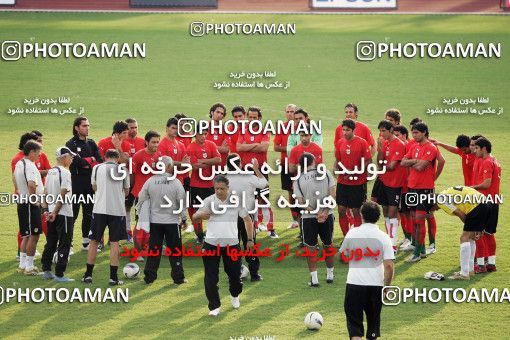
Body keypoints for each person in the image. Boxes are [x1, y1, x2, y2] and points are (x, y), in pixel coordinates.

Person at [192, 175, 255, 316]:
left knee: (234, 276)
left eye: (222, 188)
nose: (219, 191)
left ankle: (235, 295)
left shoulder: (236, 201)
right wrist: (203, 214)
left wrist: (250, 239)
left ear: (228, 188)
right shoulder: (209, 201)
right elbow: (195, 217)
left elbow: (248, 220)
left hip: (231, 245)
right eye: (216, 188)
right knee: (210, 277)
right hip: (211, 244)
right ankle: (214, 306)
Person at [340, 201, 394, 340]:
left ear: (362, 215)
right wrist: (386, 288)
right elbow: (389, 266)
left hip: (354, 285)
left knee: (355, 329)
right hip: (376, 287)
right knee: (373, 330)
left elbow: (344, 255)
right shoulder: (384, 237)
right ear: (378, 217)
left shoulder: (352, 233)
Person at [137, 156, 188, 284]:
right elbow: (182, 202)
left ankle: (149, 277)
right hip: (172, 222)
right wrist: (184, 219)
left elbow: (141, 197)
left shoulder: (150, 181)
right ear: (169, 167)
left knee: (154, 250)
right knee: (175, 250)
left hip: (155, 222)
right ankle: (178, 278)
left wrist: (139, 211)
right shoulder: (175, 182)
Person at [82, 149, 129, 285]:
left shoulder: (96, 168)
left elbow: (94, 187)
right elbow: (126, 192)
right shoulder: (122, 170)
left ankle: (88, 275)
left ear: (105, 157)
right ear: (117, 158)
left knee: (94, 242)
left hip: (99, 210)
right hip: (117, 211)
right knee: (114, 243)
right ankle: (113, 278)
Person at [293, 153, 336, 287]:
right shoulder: (326, 173)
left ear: (301, 165)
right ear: (314, 161)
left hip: (308, 218)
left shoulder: (298, 180)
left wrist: (315, 212)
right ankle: (330, 275)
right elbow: (333, 194)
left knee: (311, 248)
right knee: (328, 244)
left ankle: (314, 279)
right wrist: (324, 212)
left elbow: (300, 202)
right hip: (327, 215)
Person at [432, 186, 492, 280]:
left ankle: (464, 274)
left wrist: (471, 226)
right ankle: (470, 270)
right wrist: (476, 227)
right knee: (471, 238)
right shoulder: (445, 193)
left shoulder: (441, 200)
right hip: (485, 202)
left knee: (464, 238)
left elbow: (461, 214)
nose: (435, 210)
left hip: (476, 206)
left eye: (432, 208)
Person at [401, 123, 441, 262]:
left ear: (424, 133)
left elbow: (421, 167)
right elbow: (402, 162)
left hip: (424, 189)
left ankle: (417, 253)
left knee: (419, 220)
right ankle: (422, 250)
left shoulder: (430, 147)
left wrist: (412, 162)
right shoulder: (414, 146)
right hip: (412, 187)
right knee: (414, 219)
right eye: (413, 133)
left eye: (417, 132)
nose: (414, 135)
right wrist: (416, 160)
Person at [236, 107, 278, 238]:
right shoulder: (243, 130)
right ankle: (253, 226)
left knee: (263, 198)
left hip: (261, 169)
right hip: (246, 171)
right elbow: (238, 147)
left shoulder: (265, 129)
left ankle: (271, 229)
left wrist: (247, 146)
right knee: (248, 199)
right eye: (250, 117)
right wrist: (255, 144)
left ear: (259, 118)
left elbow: (264, 147)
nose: (252, 119)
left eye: (255, 117)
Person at [226, 153, 267, 282]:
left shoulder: (224, 179)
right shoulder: (248, 177)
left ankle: (236, 273)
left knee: (233, 246)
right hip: (246, 216)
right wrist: (256, 170)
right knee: (250, 242)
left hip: (230, 217)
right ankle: (254, 274)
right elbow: (264, 183)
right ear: (240, 164)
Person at [65, 117, 103, 251]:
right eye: (84, 126)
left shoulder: (92, 143)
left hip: (90, 184)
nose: (87, 128)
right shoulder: (70, 144)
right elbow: (76, 162)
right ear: (76, 128)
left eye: (88, 125)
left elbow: (99, 160)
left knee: (88, 213)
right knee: (72, 215)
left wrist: (87, 161)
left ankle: (86, 242)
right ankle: (68, 243)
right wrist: (89, 160)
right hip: (76, 184)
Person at [40, 147, 76, 282]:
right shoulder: (65, 173)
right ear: (64, 157)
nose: (72, 159)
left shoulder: (50, 172)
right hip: (63, 213)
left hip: (50, 213)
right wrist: (55, 211)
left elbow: (45, 192)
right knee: (65, 243)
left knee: (51, 241)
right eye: (70, 157)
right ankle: (60, 274)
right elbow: (63, 193)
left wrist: (46, 211)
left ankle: (47, 270)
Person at [11, 132, 47, 260]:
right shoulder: (30, 166)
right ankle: (29, 266)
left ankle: (23, 265)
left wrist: (20, 190)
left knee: (25, 235)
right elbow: (32, 184)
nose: (40, 155)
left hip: (22, 201)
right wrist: (34, 201)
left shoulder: (20, 163)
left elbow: (14, 178)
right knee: (34, 235)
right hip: (30, 204)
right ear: (31, 152)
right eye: (38, 152)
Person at [334, 119, 372, 235]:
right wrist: (336, 169)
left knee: (356, 211)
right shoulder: (340, 142)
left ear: (353, 130)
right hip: (342, 182)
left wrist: (354, 171)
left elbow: (368, 160)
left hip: (357, 183)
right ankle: (347, 237)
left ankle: (357, 236)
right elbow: (337, 160)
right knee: (341, 210)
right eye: (343, 130)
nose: (345, 132)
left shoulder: (362, 142)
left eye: (347, 130)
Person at [131, 131, 163, 260]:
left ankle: (148, 249)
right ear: (146, 142)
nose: (156, 145)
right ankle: (137, 251)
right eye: (153, 142)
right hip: (142, 196)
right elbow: (132, 174)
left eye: (157, 142)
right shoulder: (138, 156)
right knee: (140, 223)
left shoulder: (159, 155)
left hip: (155, 195)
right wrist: (133, 191)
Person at [376, 121, 406, 253]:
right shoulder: (385, 143)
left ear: (391, 130)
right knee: (385, 211)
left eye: (384, 131)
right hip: (384, 181)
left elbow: (392, 166)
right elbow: (379, 162)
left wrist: (382, 167)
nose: (381, 134)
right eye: (380, 131)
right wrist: (380, 148)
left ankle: (392, 245)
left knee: (393, 212)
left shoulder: (399, 144)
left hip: (395, 183)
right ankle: (389, 240)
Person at [471, 138, 501, 273]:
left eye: (476, 148)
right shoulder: (495, 160)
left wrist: (471, 188)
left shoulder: (487, 162)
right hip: (494, 201)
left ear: (483, 149)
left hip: (484, 202)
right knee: (489, 233)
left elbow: (487, 183)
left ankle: (481, 265)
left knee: (478, 233)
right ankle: (491, 264)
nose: (474, 150)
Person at [187, 131, 221, 244]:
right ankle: (200, 235)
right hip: (196, 185)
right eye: (200, 134)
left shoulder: (211, 144)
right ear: (195, 134)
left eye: (205, 134)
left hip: (210, 184)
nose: (203, 136)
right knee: (198, 211)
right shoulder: (191, 147)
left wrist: (203, 161)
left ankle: (214, 233)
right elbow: (195, 166)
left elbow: (219, 160)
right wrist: (210, 162)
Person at [274, 104, 299, 229]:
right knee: (291, 192)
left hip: (301, 165)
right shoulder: (282, 127)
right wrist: (292, 149)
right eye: (288, 111)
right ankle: (295, 220)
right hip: (286, 164)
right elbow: (275, 147)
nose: (290, 114)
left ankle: (304, 219)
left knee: (302, 192)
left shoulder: (302, 127)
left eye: (292, 111)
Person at [124, 118, 146, 243]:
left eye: (136, 127)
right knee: (126, 206)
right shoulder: (123, 142)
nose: (134, 130)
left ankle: (139, 235)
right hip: (126, 179)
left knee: (139, 208)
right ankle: (127, 232)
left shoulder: (142, 142)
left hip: (139, 180)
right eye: (131, 127)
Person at [393, 125, 414, 251]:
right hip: (399, 185)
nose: (396, 138)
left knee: (408, 213)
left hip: (408, 186)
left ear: (404, 135)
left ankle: (411, 239)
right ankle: (407, 237)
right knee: (401, 212)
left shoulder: (409, 147)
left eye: (398, 135)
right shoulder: (399, 146)